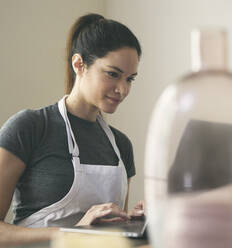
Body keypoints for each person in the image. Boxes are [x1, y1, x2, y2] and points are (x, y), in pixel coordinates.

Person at [0, 13, 144, 246]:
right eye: (113, 74)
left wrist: (133, 223)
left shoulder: (121, 146)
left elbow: (114, 240)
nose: (122, 89)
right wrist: (70, 233)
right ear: (79, 64)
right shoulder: (29, 127)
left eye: (130, 79)